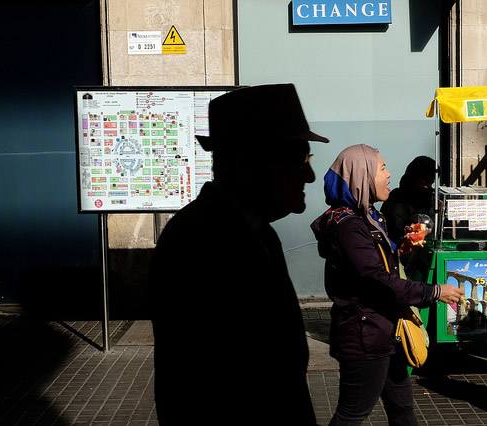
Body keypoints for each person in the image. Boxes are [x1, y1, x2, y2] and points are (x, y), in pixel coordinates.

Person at [149, 84, 329, 425]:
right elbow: (197, 392)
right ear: (248, 163)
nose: (309, 174)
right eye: (297, 158)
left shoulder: (259, 231)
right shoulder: (196, 243)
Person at [310, 144, 462, 425]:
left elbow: (372, 266)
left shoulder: (368, 216)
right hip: (364, 335)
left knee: (402, 409)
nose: (389, 174)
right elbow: (378, 280)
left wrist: (400, 250)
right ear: (362, 175)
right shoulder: (349, 226)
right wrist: (434, 292)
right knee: (352, 414)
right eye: (382, 168)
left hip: (384, 332)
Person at [380, 155, 436, 246]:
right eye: (425, 180)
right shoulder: (397, 199)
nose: (428, 185)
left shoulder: (432, 197)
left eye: (431, 181)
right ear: (415, 177)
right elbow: (394, 230)